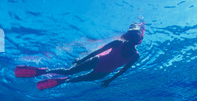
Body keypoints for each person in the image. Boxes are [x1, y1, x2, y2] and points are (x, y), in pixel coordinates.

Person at [14, 23, 145, 90]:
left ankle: (63, 80)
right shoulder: (118, 43)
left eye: (135, 36)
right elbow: (96, 53)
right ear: (128, 35)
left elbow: (123, 70)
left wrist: (110, 80)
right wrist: (82, 60)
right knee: (69, 71)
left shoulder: (135, 56)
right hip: (98, 61)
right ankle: (44, 71)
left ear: (138, 39)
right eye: (131, 34)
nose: (132, 37)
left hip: (103, 72)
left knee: (76, 78)